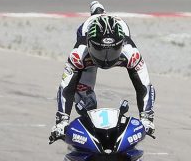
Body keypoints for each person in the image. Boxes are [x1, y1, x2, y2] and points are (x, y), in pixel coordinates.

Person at [50, 13, 156, 145]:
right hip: (86, 43)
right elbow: (66, 88)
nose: (106, 58)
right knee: (85, 100)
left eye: (113, 51)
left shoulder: (131, 53)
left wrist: (147, 119)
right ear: (89, 44)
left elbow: (144, 86)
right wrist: (62, 122)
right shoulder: (78, 54)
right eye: (99, 50)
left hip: (116, 35)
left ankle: (97, 10)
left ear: (122, 44)